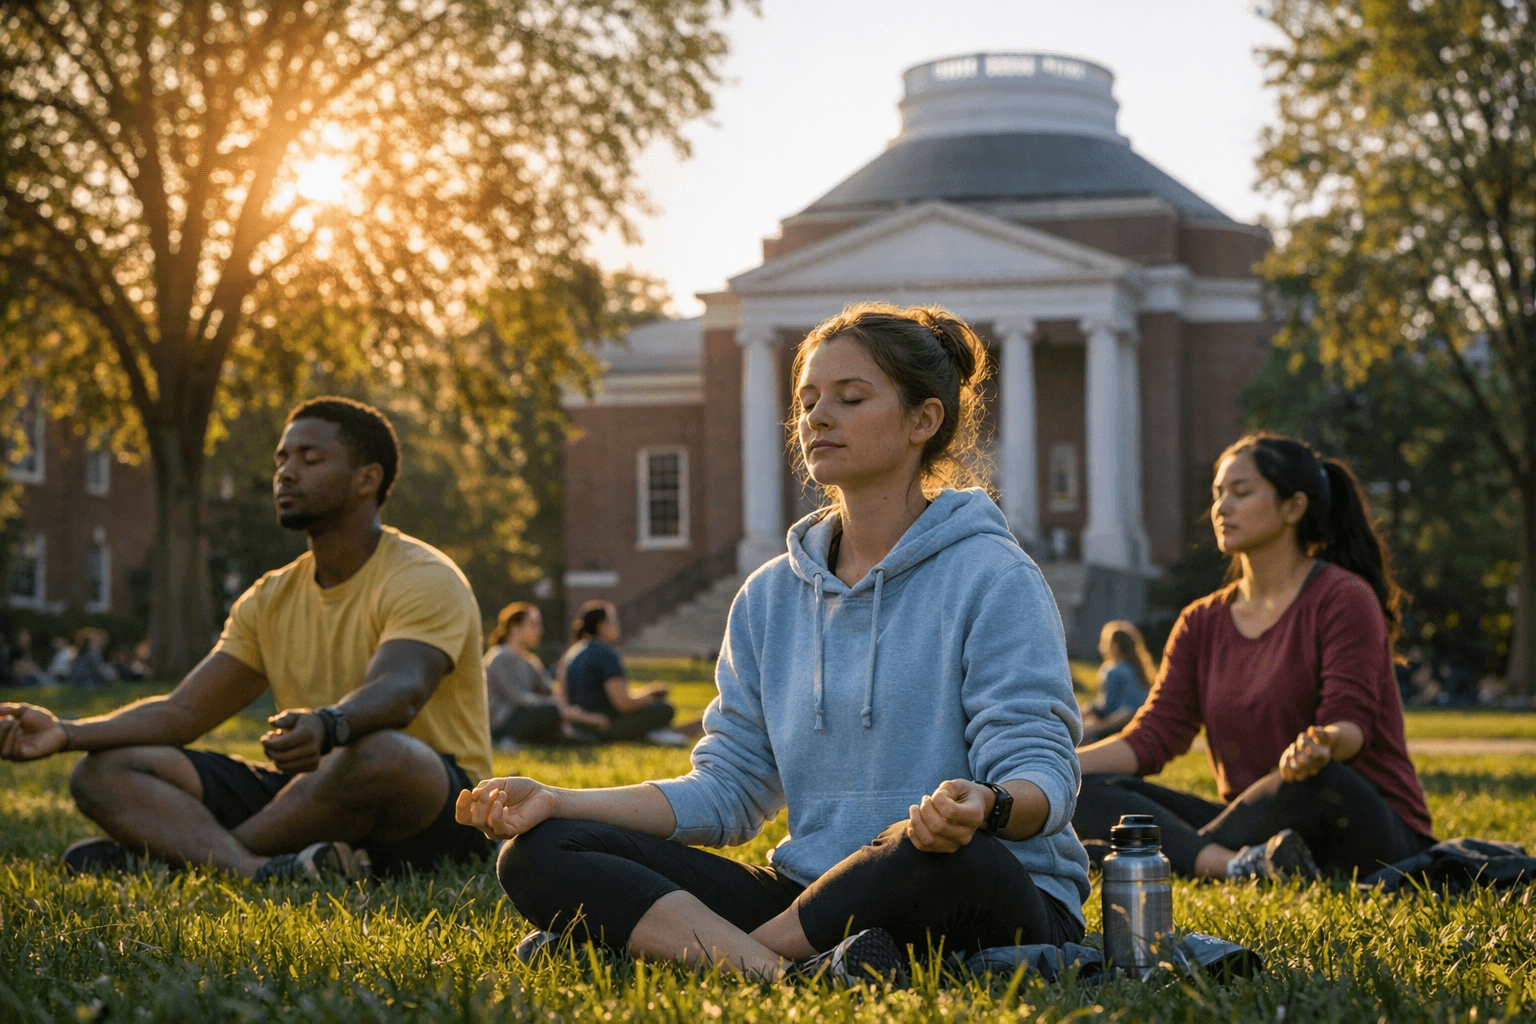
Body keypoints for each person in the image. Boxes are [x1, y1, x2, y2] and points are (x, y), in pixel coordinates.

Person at [459, 303, 1089, 984]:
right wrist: (559, 800)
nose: (817, 418)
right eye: (808, 400)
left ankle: (695, 951)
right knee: (541, 851)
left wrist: (985, 805)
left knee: (932, 851)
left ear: (922, 421)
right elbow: (725, 792)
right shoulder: (768, 595)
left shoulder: (994, 575)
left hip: (971, 888)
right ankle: (784, 970)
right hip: (810, 899)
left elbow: (1043, 773)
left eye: (850, 398)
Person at [0, 397, 493, 881]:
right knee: (101, 772)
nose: (286, 472)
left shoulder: (423, 576)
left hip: (430, 805)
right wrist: (67, 731)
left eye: (310, 458)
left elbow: (401, 689)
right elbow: (183, 713)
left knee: (384, 752)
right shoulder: (270, 597)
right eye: (282, 458)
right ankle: (254, 869)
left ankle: (182, 858)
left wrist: (329, 724)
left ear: (368, 479)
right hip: (304, 792)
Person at [1073, 433, 1436, 881]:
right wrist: (1057, 766)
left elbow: (1352, 725)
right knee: (1080, 790)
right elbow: (1152, 737)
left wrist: (1321, 745)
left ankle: (1186, 853)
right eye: (1218, 494)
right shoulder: (1200, 621)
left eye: (1241, 492)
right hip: (1257, 826)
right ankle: (1233, 865)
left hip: (1358, 819)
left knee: (1315, 782)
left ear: (1293, 507)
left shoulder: (1344, 598)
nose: (1222, 507)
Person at [561, 601, 690, 746]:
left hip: (577, 725)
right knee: (664, 709)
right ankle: (652, 735)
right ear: (601, 625)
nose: (618, 625)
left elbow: (563, 699)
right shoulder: (605, 653)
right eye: (614, 620)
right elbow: (623, 704)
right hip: (605, 727)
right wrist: (650, 695)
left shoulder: (571, 654)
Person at [483, 602, 607, 746]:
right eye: (534, 625)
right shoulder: (500, 657)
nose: (540, 631)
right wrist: (568, 712)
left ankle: (575, 737)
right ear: (515, 628)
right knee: (551, 711)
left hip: (529, 717)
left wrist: (572, 710)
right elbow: (520, 700)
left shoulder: (531, 661)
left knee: (560, 711)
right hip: (500, 724)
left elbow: (551, 692)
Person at [1078, 621, 1152, 745]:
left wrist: (1086, 711)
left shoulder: (1113, 670)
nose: (1100, 647)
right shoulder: (1137, 668)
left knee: (1080, 739)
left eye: (1105, 642)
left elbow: (1105, 706)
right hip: (1140, 726)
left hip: (1118, 725)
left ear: (1115, 646)